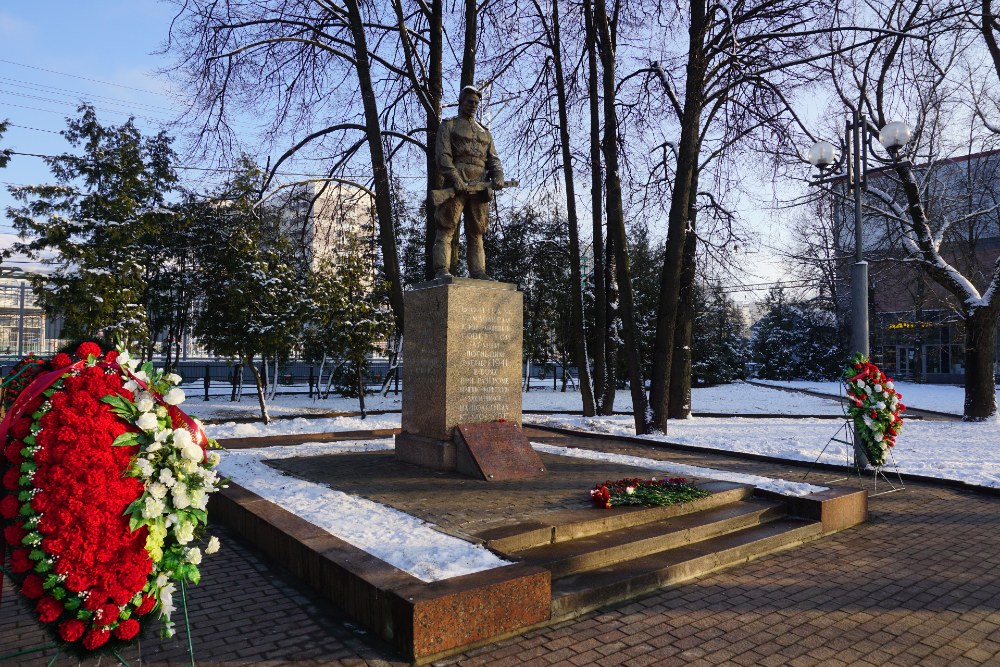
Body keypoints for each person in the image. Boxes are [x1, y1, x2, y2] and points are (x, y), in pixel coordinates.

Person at [432, 85, 505, 279]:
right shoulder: (449, 126)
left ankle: (479, 272)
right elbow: (443, 157)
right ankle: (441, 269)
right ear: (461, 102)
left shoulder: (485, 133)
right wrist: (455, 179)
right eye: (470, 101)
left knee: (477, 231)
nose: (473, 105)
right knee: (446, 228)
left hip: (480, 187)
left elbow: (494, 160)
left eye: (476, 103)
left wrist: (498, 177)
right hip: (455, 184)